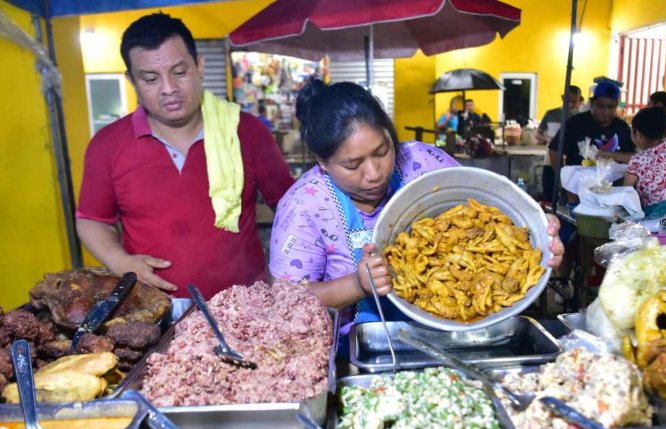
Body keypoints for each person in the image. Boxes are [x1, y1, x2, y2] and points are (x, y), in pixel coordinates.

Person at [270, 80, 565, 333]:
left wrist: (540, 233)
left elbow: (492, 213)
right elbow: (286, 297)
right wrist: (357, 285)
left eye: (382, 151)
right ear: (322, 162)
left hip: (456, 334)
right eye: (352, 165)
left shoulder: (422, 163)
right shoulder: (305, 206)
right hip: (358, 349)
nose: (373, 173)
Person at [76, 13, 293, 298]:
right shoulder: (107, 145)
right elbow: (92, 219)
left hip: (246, 306)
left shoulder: (245, 131)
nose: (169, 89)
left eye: (179, 72)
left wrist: (290, 269)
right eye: (151, 79)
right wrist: (120, 261)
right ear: (132, 81)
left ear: (199, 66)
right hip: (154, 309)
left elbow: (293, 208)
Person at [549, 79, 635, 168]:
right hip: (579, 176)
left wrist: (608, 155)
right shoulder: (575, 124)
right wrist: (562, 174)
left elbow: (634, 157)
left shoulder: (622, 128)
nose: (605, 112)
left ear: (616, 105)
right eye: (600, 106)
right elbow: (554, 151)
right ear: (592, 103)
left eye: (610, 107)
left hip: (613, 177)